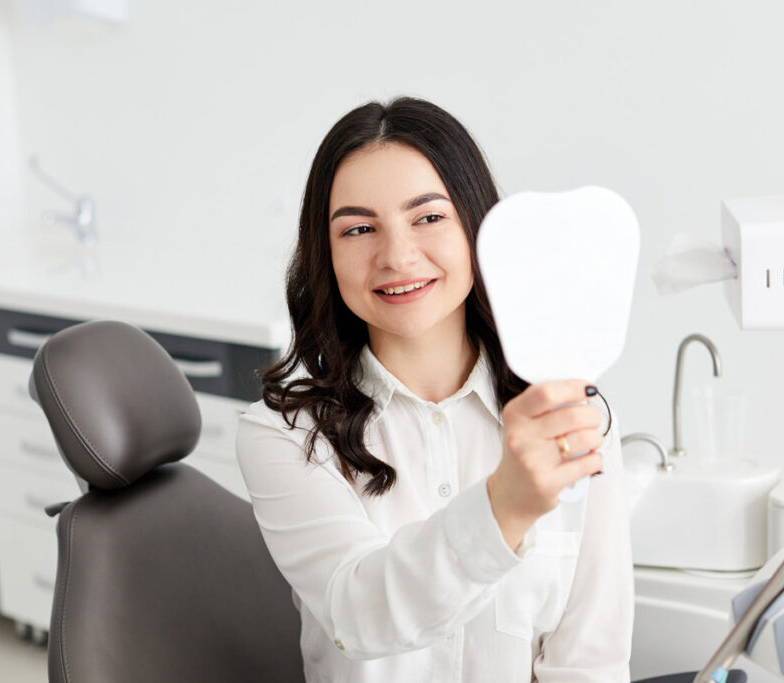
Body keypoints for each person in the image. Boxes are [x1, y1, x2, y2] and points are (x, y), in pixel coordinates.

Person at [236, 96, 634, 682]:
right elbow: (359, 615)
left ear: (478, 228)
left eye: (428, 217)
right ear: (326, 253)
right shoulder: (284, 436)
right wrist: (506, 505)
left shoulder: (577, 419)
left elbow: (590, 661)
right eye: (359, 228)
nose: (396, 256)